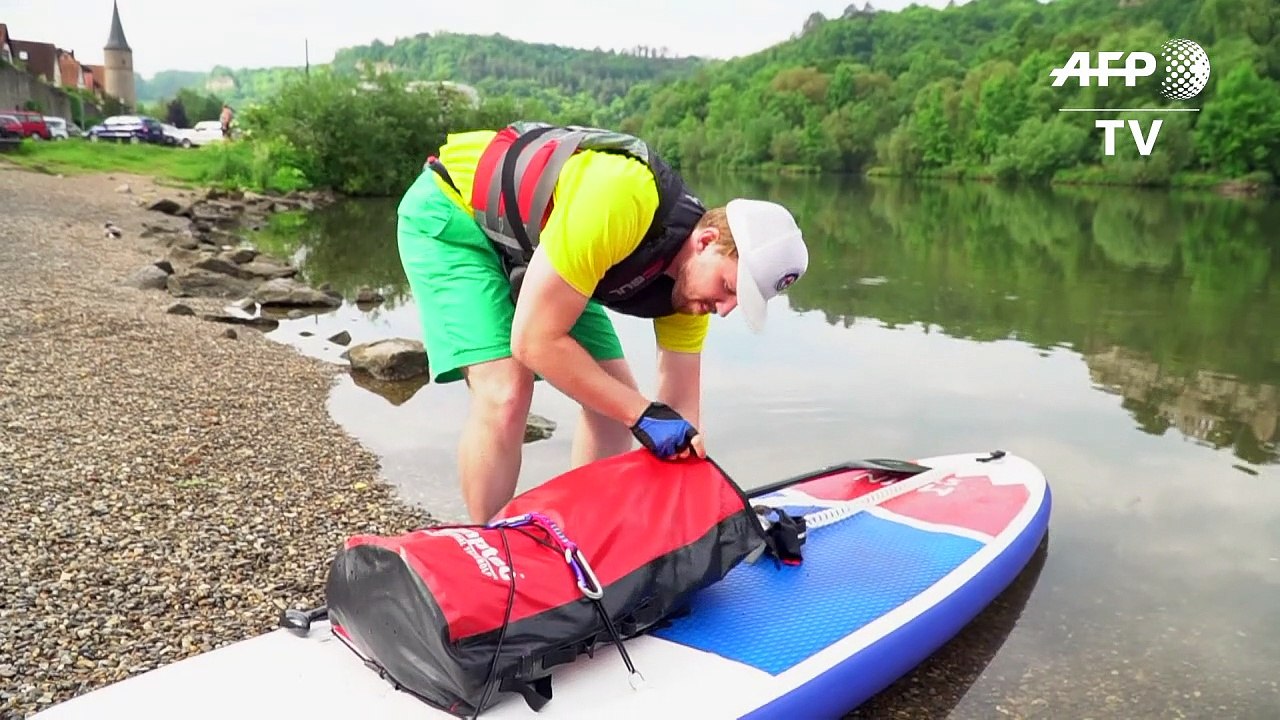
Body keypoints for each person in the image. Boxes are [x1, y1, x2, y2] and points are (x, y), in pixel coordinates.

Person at [397, 121, 809, 523]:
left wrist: (699, 511)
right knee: (506, 390)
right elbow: (533, 343)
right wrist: (641, 414)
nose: (723, 309)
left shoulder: (692, 294)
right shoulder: (622, 200)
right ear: (706, 242)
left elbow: (681, 415)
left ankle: (582, 535)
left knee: (612, 408)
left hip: (543, 248)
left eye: (738, 301)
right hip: (455, 212)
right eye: (728, 287)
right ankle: (483, 546)